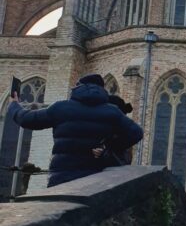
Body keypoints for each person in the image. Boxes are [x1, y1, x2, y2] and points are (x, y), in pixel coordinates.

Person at [8, 74, 143, 188]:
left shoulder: (61, 108)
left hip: (62, 177)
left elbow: (27, 119)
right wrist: (109, 148)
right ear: (102, 90)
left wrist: (14, 105)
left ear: (78, 87)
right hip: (96, 179)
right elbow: (136, 133)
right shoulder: (112, 111)